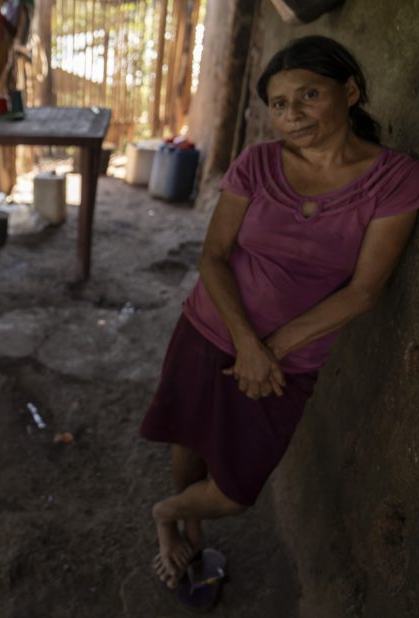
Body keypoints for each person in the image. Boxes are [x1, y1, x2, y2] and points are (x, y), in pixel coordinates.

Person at [139, 35, 419, 604]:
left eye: (309, 95)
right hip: (209, 328)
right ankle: (193, 535)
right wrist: (246, 341)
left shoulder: (395, 180)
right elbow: (214, 257)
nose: (293, 116)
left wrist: (269, 351)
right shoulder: (258, 163)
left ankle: (166, 512)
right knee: (190, 435)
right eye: (280, 104)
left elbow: (366, 290)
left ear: (351, 91)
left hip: (290, 360)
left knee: (239, 487)